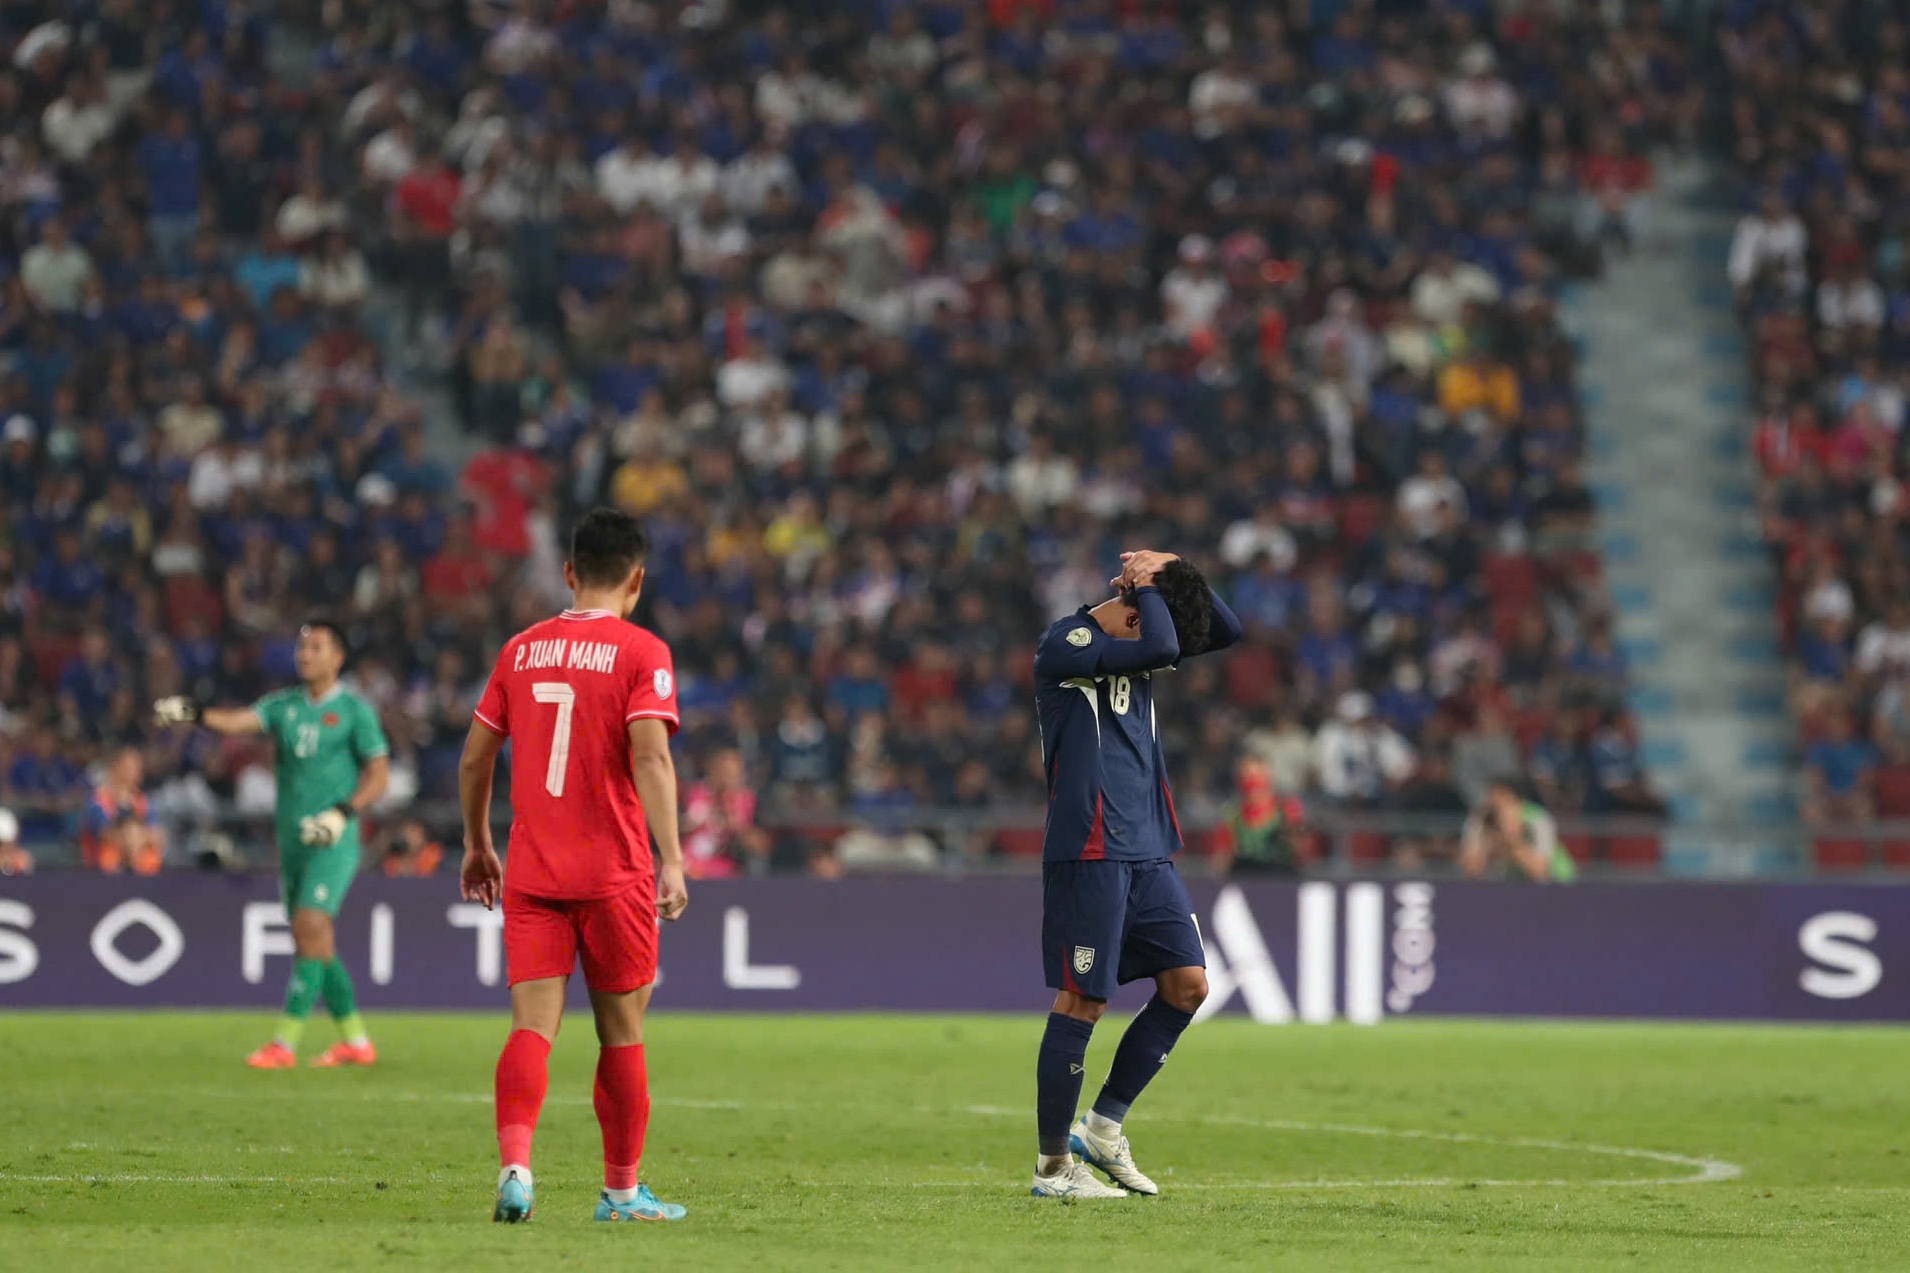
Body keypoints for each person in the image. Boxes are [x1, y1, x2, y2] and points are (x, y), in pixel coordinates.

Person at [456, 507, 691, 1225]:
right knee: (621, 1031)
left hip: (532, 869)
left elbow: (474, 757)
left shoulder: (520, 648)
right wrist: (673, 857)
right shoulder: (643, 651)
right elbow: (650, 754)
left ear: (568, 572)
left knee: (532, 1027)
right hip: (613, 871)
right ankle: (621, 1192)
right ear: (637, 579)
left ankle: (517, 1168)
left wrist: (477, 842)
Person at [1028, 549, 1242, 1200]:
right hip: (1091, 846)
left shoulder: (1141, 632)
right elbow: (1162, 645)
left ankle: (1102, 1127)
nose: (1172, 645)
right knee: (1084, 999)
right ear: (1125, 609)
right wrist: (1151, 593)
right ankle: (1052, 1169)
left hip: (1147, 846)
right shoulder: (1067, 641)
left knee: (1188, 985)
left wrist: (1173, 568)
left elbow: (1225, 630)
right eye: (1149, 615)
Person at [154, 620, 391, 1068]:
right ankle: (356, 1042)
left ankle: (284, 1044)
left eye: (316, 647)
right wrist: (194, 712)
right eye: (302, 646)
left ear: (337, 657)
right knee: (315, 941)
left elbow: (380, 775)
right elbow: (240, 721)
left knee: (309, 927)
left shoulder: (356, 712)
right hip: (293, 843)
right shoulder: (284, 706)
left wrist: (343, 812)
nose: (305, 654)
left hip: (333, 841)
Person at [1459, 779, 1578, 883]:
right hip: (1507, 885)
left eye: (1500, 796)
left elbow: (1540, 871)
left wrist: (1513, 840)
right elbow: (1472, 870)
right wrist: (1489, 842)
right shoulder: (1481, 818)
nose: (1493, 802)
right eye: (1490, 796)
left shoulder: (1538, 818)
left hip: (1558, 882)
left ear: (1515, 800)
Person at [78, 747, 165, 874]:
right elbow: (105, 833)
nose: (136, 771)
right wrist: (131, 838)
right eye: (130, 766)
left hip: (141, 870)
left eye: (137, 767)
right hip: (103, 873)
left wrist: (138, 838)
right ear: (115, 767)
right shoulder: (98, 800)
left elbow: (157, 835)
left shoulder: (141, 800)